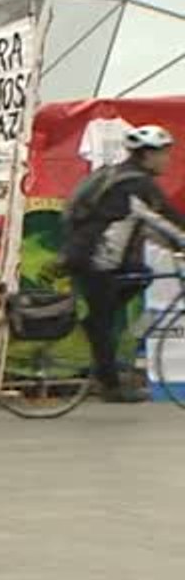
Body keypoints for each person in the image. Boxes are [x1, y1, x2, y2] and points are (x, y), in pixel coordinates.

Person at [63, 124, 185, 402]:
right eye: (163, 154)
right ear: (147, 155)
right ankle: (111, 387)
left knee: (141, 276)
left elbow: (143, 225)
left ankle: (98, 337)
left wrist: (174, 244)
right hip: (97, 260)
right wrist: (179, 241)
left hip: (92, 256)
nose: (167, 159)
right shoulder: (136, 185)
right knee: (103, 320)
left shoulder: (117, 176)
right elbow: (166, 222)